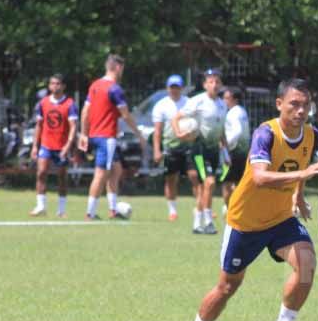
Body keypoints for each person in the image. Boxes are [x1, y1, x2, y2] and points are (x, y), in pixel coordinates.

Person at [187, 78, 318, 321]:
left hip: (281, 219)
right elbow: (260, 177)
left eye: (305, 105)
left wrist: (298, 194)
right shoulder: (266, 134)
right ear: (279, 104)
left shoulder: (311, 135)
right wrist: (302, 176)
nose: (300, 111)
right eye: (294, 104)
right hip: (245, 222)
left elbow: (302, 164)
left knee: (306, 264)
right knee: (227, 286)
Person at [77, 54, 145, 220]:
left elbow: (85, 111)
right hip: (107, 137)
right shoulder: (115, 89)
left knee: (116, 169)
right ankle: (90, 213)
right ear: (118, 68)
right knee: (101, 173)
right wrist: (139, 134)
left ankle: (113, 210)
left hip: (95, 135)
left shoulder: (95, 85)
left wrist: (84, 134)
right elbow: (126, 115)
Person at [173, 69, 228, 234]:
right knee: (209, 183)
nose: (214, 85)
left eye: (217, 81)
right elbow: (176, 118)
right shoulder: (197, 101)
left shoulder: (222, 105)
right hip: (199, 149)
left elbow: (221, 131)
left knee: (207, 187)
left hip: (214, 151)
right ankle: (208, 222)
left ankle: (197, 222)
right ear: (205, 85)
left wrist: (225, 152)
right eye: (211, 81)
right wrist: (179, 133)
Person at [152, 74, 200, 222]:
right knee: (171, 179)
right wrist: (157, 150)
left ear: (182, 88)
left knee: (195, 176)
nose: (175, 90)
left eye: (177, 87)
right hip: (170, 147)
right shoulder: (161, 105)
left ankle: (201, 206)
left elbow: (196, 123)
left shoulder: (189, 103)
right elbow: (157, 131)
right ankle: (172, 211)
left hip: (189, 146)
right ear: (168, 88)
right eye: (172, 87)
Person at [29, 73, 77, 217]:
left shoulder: (69, 104)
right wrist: (35, 146)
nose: (54, 86)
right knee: (41, 172)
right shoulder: (43, 103)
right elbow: (39, 125)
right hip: (46, 145)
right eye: (52, 84)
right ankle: (41, 206)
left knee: (62, 176)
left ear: (63, 86)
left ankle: (61, 210)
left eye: (57, 84)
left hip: (61, 146)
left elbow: (73, 126)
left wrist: (68, 146)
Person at [220, 86, 251, 211]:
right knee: (239, 183)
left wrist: (226, 145)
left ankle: (229, 209)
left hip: (232, 152)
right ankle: (238, 208)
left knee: (227, 182)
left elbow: (237, 131)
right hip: (243, 152)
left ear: (235, 99)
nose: (223, 100)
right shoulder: (242, 111)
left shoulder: (232, 113)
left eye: (226, 98)